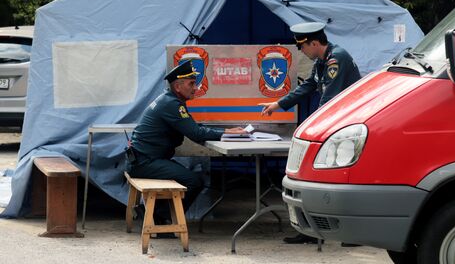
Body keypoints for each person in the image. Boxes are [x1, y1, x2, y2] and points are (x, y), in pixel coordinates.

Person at [259, 22, 361, 244]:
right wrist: (278, 104)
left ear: (314, 43)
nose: (302, 52)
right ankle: (310, 230)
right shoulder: (323, 61)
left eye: (303, 46)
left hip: (343, 131)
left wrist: (311, 130)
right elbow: (307, 87)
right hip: (333, 128)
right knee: (309, 179)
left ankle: (346, 233)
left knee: (335, 182)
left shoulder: (337, 59)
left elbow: (329, 101)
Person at [126, 59, 246, 225]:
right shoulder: (172, 104)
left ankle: (154, 213)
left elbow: (191, 126)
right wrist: (226, 132)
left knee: (185, 176)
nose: (195, 88)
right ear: (177, 86)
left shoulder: (168, 100)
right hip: (145, 162)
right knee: (193, 181)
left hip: (143, 159)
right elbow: (196, 133)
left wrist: (222, 131)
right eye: (191, 84)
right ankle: (159, 217)